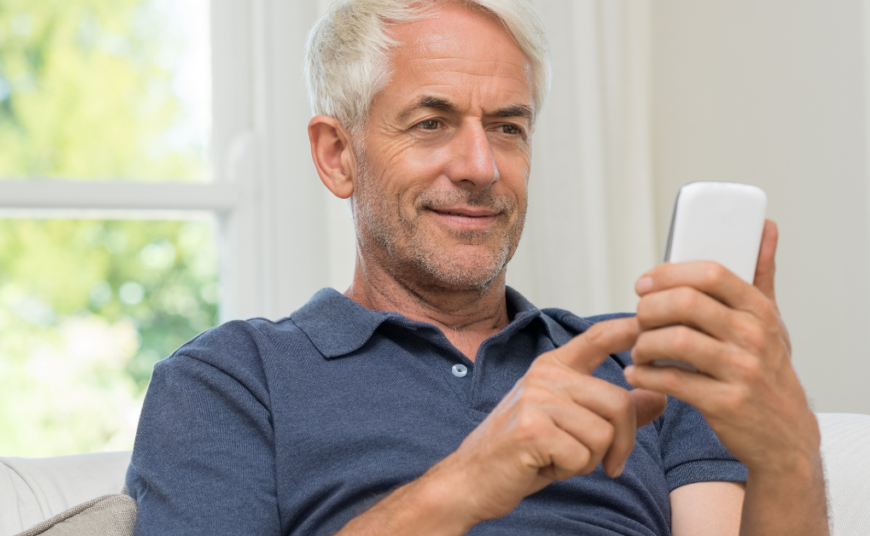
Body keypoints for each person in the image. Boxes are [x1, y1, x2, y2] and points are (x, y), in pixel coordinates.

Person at [126, 1, 828, 534]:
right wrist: (474, 478)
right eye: (431, 123)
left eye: (507, 128)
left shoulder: (650, 364)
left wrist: (789, 445)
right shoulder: (230, 380)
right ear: (338, 155)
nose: (481, 168)